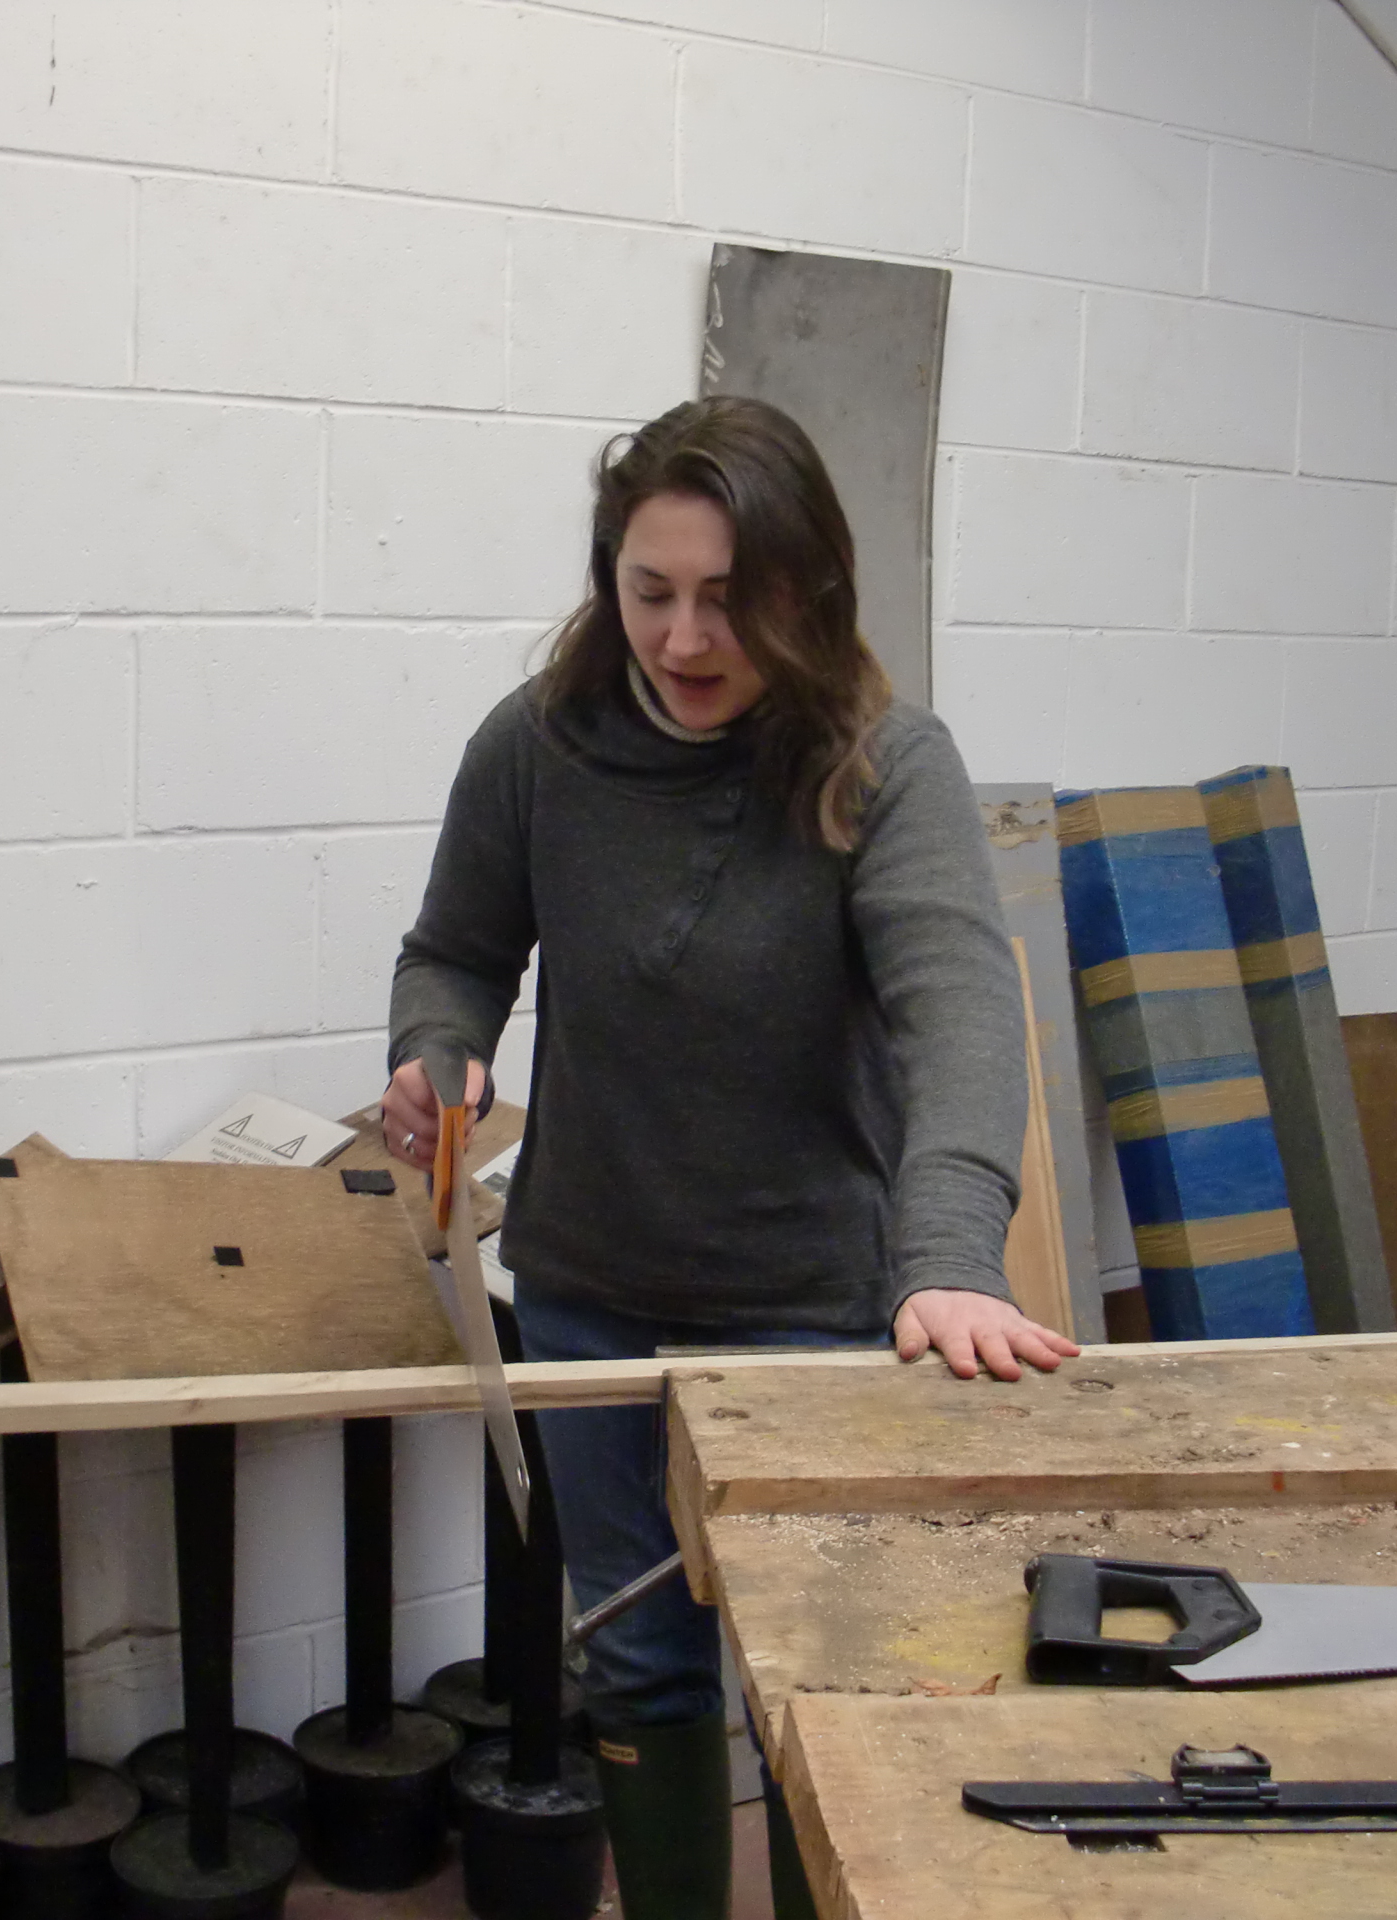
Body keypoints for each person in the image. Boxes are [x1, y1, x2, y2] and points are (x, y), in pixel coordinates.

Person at [378, 396, 1078, 1920]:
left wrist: (951, 1254)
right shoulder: (537, 745)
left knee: (825, 1673)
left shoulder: (882, 763)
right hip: (589, 1301)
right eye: (651, 592)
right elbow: (455, 952)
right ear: (609, 578)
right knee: (640, 1662)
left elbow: (960, 1017)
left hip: (816, 1312)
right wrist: (436, 1054)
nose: (685, 639)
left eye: (728, 598)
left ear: (806, 588)